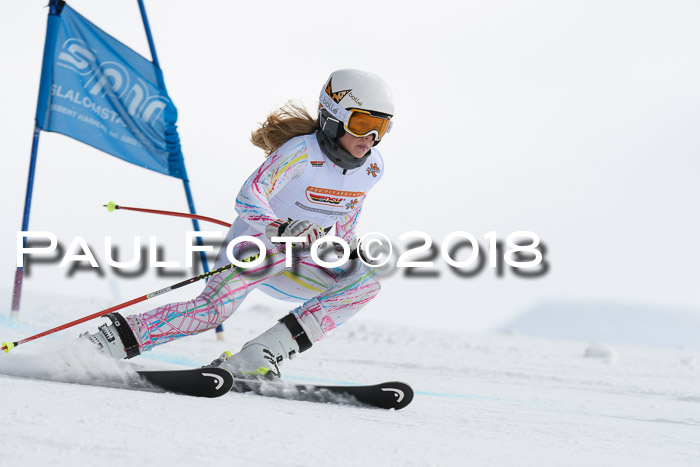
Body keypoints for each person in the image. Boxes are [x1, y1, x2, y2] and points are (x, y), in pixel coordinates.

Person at [81, 69, 394, 379]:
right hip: (257, 250)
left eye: (381, 127)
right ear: (333, 117)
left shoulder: (373, 168)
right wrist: (281, 228)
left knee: (364, 283)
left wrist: (351, 248)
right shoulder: (300, 153)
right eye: (362, 124)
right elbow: (248, 197)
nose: (371, 137)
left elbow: (346, 213)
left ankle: (261, 353)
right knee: (212, 312)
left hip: (302, 262)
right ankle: (106, 343)